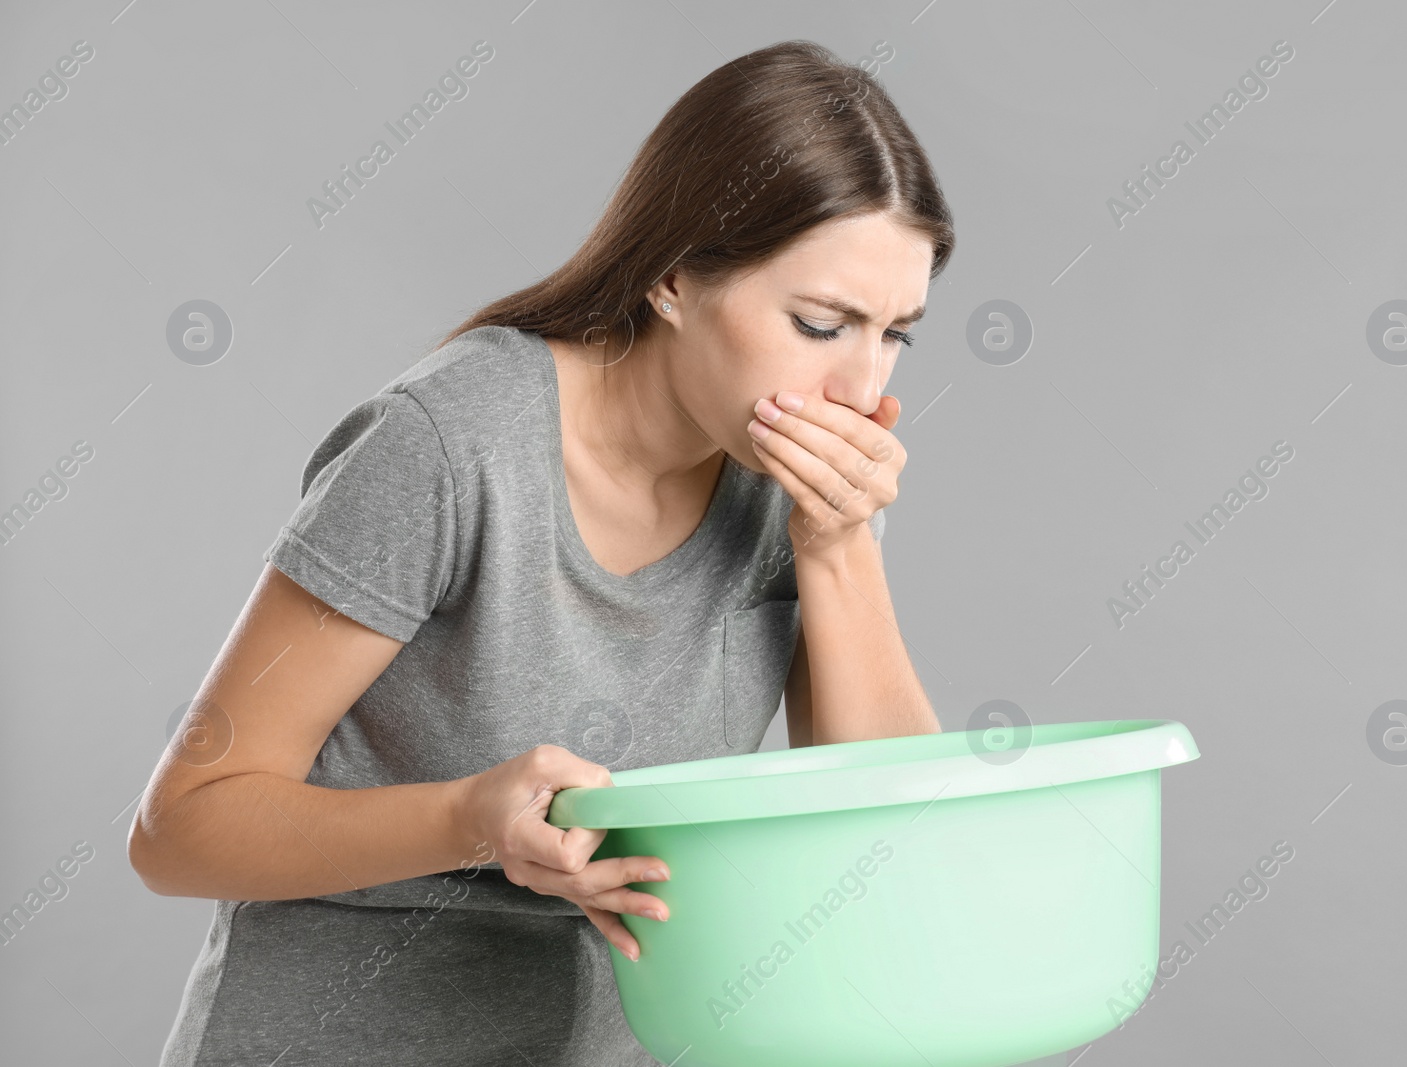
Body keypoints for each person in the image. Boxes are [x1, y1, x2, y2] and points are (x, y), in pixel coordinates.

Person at [130, 38, 954, 1067]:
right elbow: (180, 826)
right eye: (821, 322)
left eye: (897, 335)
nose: (858, 385)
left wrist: (839, 552)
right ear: (671, 279)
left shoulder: (790, 490)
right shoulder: (448, 445)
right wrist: (469, 818)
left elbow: (898, 838)